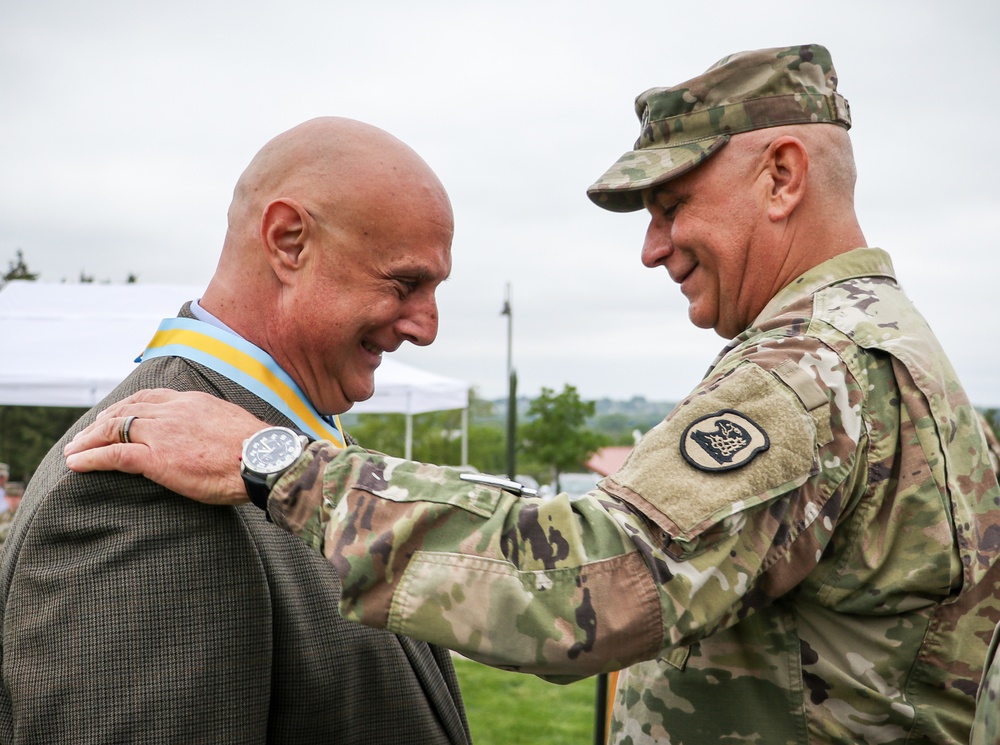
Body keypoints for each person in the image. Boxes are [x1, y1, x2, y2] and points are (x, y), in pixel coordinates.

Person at [65, 45, 1000, 744]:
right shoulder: (882, 348)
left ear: (783, 176)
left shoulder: (811, 370)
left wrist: (273, 461)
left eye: (673, 204)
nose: (653, 245)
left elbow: (597, 582)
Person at [7, 117, 470, 744]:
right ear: (287, 241)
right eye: (405, 282)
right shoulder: (141, 481)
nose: (427, 326)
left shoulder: (289, 442)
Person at [0, 481, 24, 546]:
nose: (12, 499)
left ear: (21, 497)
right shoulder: (2, 516)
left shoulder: (25, 515)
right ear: (5, 497)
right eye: (10, 495)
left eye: (16, 496)